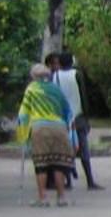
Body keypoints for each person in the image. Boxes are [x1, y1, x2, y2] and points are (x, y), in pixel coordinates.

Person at [15, 63, 76, 206]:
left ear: (34, 76)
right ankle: (61, 197)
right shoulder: (56, 89)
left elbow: (23, 113)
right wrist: (71, 132)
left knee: (41, 164)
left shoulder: (32, 89)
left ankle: (42, 197)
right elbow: (68, 111)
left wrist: (22, 133)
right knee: (58, 163)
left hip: (40, 127)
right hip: (59, 128)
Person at [48, 50, 103, 191]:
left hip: (62, 118)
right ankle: (90, 181)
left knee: (66, 150)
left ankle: (68, 181)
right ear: (72, 62)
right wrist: (87, 116)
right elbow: (83, 97)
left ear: (59, 63)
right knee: (83, 148)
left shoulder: (54, 76)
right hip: (78, 116)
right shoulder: (77, 75)